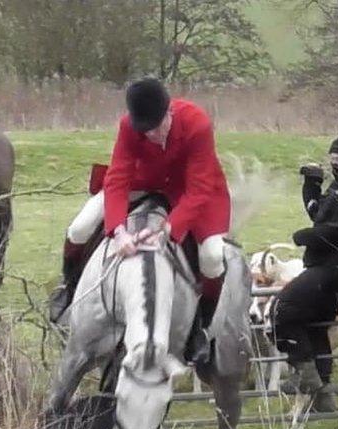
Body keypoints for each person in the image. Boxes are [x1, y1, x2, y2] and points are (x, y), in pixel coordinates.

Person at [48, 77, 230, 366]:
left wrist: (169, 229)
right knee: (80, 227)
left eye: (158, 127)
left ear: (170, 111)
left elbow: (199, 189)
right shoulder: (128, 127)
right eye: (146, 131)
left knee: (212, 256)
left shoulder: (198, 124)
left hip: (189, 190)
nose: (154, 135)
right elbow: (118, 177)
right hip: (143, 182)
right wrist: (118, 231)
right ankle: (68, 289)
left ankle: (199, 327)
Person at [272, 132, 338, 412]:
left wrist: (304, 237)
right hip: (336, 267)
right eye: (332, 158)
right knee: (314, 325)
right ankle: (324, 398)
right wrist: (311, 186)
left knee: (283, 308)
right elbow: (320, 215)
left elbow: (334, 230)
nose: (333, 163)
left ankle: (305, 376)